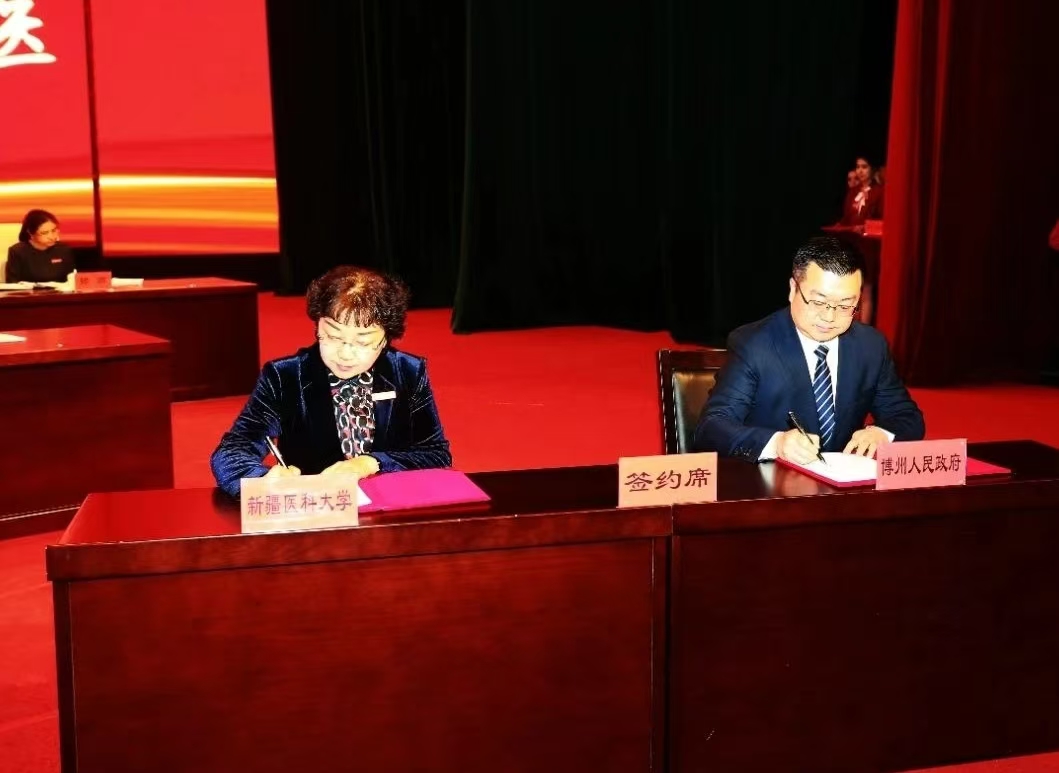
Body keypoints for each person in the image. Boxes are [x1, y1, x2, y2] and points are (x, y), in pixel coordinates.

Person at [211, 265, 452, 497]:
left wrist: (371, 462)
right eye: (333, 336)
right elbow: (232, 451)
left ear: (386, 338)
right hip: (317, 509)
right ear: (318, 326)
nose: (345, 354)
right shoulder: (285, 376)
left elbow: (435, 454)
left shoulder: (407, 371)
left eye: (363, 342)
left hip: (389, 507)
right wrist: (261, 480)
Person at [693, 235, 924, 465]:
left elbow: (907, 417)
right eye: (818, 302)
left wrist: (882, 433)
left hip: (842, 481)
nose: (829, 317)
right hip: (770, 479)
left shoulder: (870, 346)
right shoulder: (754, 345)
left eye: (845, 306)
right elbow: (711, 428)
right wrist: (777, 443)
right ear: (793, 289)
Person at [5, 209, 75, 283]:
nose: (52, 236)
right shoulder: (17, 251)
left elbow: (72, 279)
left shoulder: (64, 249)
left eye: (54, 230)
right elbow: (12, 283)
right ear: (31, 233)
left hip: (60, 290)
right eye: (44, 233)